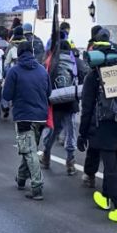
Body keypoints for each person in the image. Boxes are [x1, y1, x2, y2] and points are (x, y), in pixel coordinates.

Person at [78, 31, 117, 223]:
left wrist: (83, 134)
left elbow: (87, 108)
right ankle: (105, 197)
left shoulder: (93, 76)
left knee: (110, 169)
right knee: (114, 163)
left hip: (105, 126)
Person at [2, 41, 51, 200]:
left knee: (29, 151)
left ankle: (37, 186)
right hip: (41, 117)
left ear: (19, 53)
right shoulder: (43, 70)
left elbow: (6, 95)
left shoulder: (14, 71)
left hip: (23, 116)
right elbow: (49, 92)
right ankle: (21, 178)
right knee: (29, 148)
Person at [41, 39, 88, 175]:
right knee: (71, 132)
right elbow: (83, 82)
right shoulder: (77, 63)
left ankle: (46, 154)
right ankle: (70, 162)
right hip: (71, 102)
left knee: (53, 131)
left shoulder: (50, 62)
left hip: (54, 102)